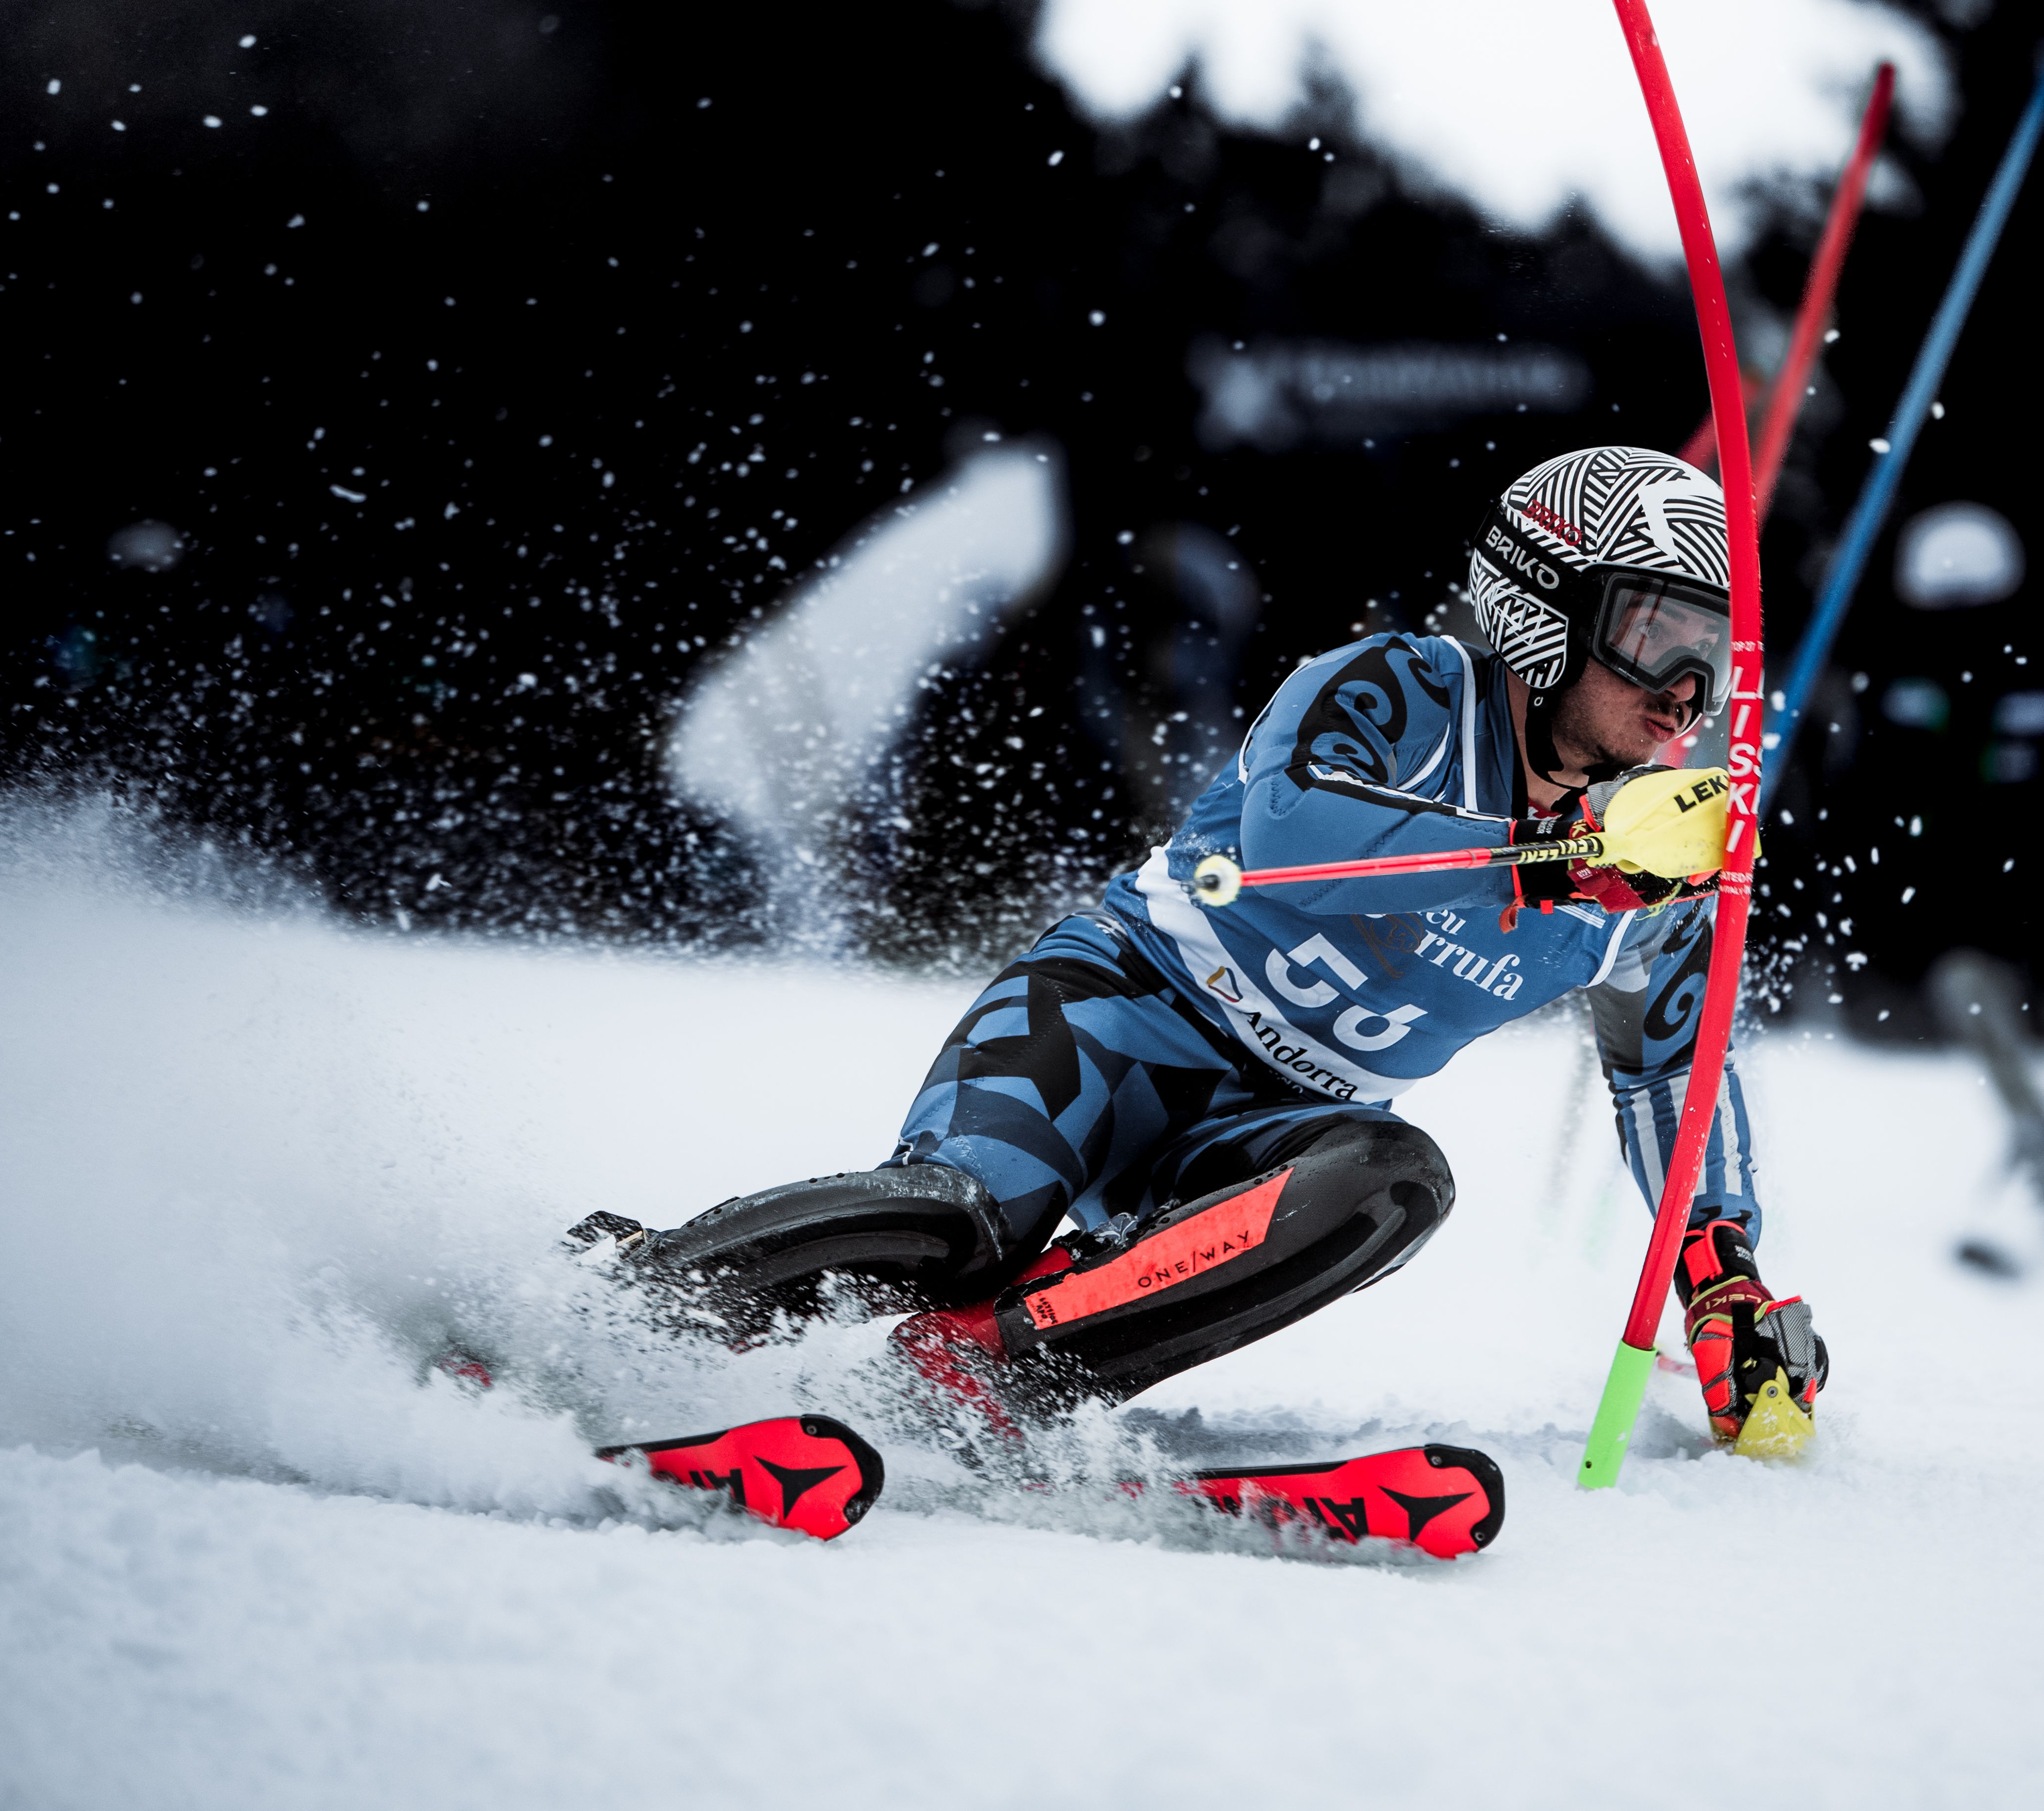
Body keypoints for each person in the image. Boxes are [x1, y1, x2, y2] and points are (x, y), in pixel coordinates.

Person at [588, 445, 1827, 1452]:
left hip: (1266, 1131)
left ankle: (981, 1378)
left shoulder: (1655, 867)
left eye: (1713, 657)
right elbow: (1296, 839)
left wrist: (1719, 1274)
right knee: (960, 1225)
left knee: (1396, 1180)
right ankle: (613, 1308)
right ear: (1544, 612)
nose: (1683, 688)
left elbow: (1671, 1067)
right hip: (1123, 1019)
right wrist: (1546, 857)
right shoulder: (1396, 690)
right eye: (1658, 633)